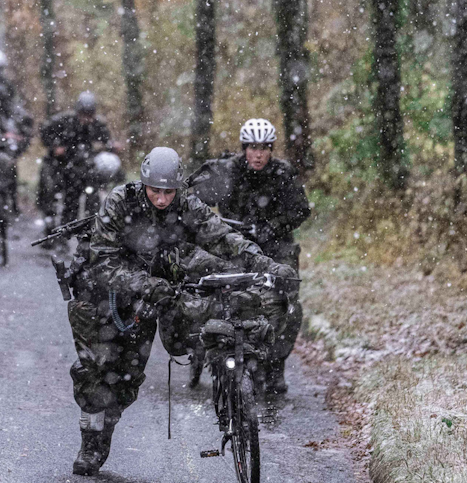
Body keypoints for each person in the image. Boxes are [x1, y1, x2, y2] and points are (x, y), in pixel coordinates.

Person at [66, 146, 296, 476]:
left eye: (168, 192)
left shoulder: (186, 203)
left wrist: (264, 263)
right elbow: (103, 263)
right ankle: (91, 442)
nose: (162, 199)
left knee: (128, 379)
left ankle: (107, 426)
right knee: (98, 372)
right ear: (144, 184)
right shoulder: (120, 202)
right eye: (155, 191)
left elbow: (221, 236)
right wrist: (144, 284)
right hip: (107, 295)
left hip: (155, 292)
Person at [208, 118, 311, 394]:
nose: (258, 154)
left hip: (276, 247)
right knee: (221, 295)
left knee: (287, 304)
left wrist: (272, 227)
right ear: (244, 149)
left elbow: (301, 209)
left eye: (264, 148)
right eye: (253, 148)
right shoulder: (229, 170)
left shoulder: (283, 173)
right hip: (236, 246)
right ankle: (228, 356)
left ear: (271, 150)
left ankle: (276, 365)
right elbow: (200, 200)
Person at [38, 91, 113, 240]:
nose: (86, 119)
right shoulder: (63, 120)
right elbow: (44, 131)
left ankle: (93, 233)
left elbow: (106, 141)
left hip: (86, 169)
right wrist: (55, 146)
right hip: (62, 166)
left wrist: (110, 147)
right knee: (59, 196)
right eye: (83, 114)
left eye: (89, 115)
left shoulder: (97, 125)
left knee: (93, 200)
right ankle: (57, 232)